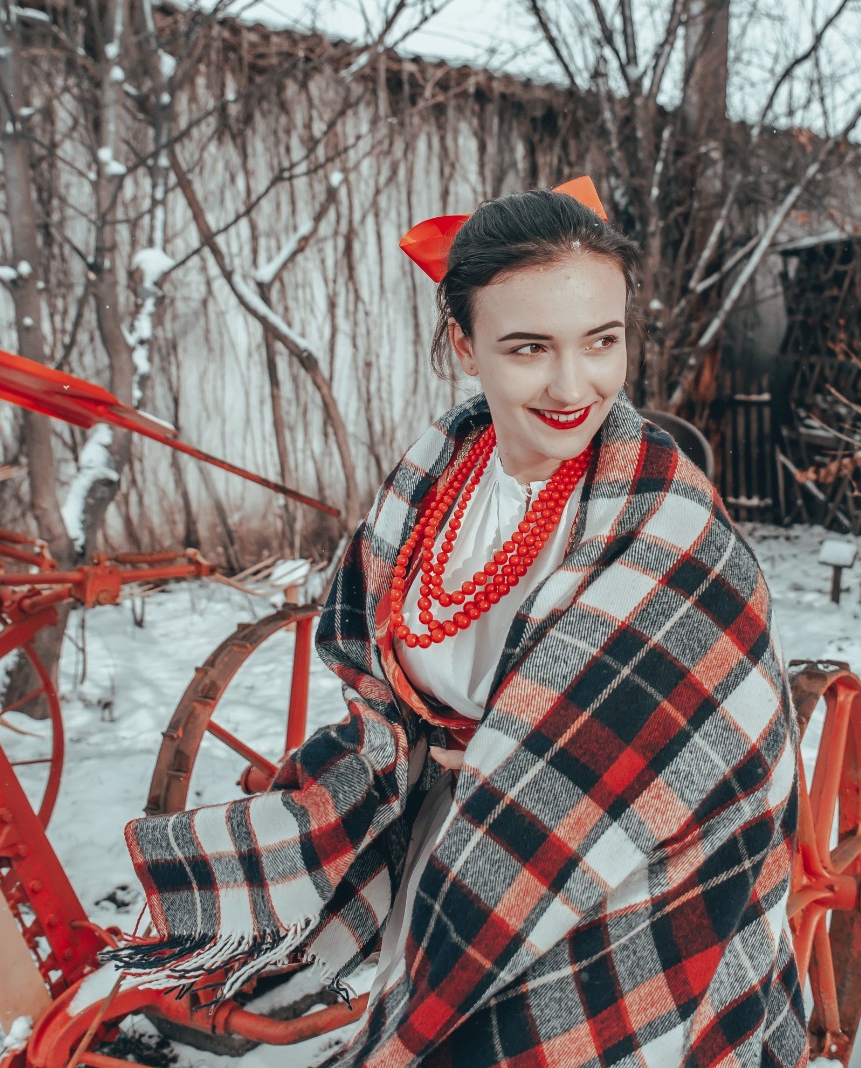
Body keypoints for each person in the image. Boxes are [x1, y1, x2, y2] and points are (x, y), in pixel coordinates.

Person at [103, 177, 808, 1067]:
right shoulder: (430, 484)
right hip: (449, 846)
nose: (573, 384)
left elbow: (713, 750)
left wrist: (510, 770)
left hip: (615, 869)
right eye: (528, 347)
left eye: (602, 341)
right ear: (465, 347)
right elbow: (379, 673)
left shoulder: (671, 528)